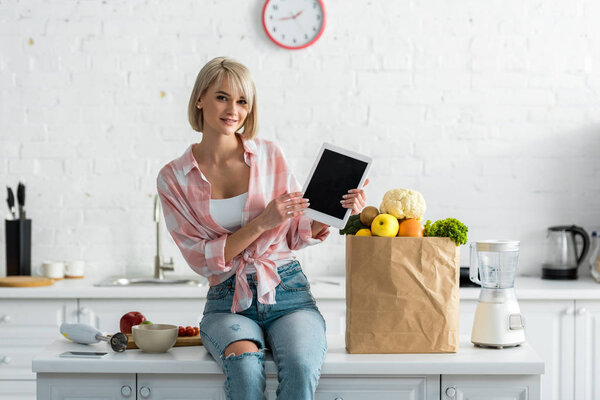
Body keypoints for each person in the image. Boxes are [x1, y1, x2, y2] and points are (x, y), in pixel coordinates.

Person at [156, 56, 368, 400]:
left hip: (288, 292)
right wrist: (263, 222)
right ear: (200, 99)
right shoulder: (174, 178)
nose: (233, 110)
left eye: (242, 101)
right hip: (228, 302)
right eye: (222, 97)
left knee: (300, 366)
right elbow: (202, 259)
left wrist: (337, 212)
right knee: (243, 364)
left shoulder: (270, 154)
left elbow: (297, 230)